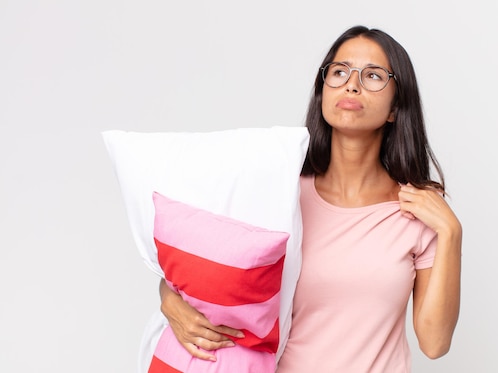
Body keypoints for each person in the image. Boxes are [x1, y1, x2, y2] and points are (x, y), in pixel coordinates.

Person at [159, 25, 462, 372]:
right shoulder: (279, 191)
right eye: (339, 71)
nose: (352, 83)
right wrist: (168, 298)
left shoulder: (419, 210)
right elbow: (206, 268)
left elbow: (435, 343)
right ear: (322, 93)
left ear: (396, 107)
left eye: (374, 75)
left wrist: (452, 234)